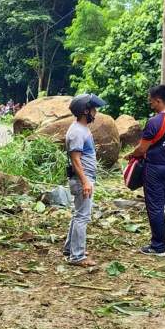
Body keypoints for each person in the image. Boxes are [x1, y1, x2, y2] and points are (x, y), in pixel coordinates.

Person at [126, 84, 165, 256]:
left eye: (152, 102)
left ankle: (159, 246)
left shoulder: (155, 122)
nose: (151, 104)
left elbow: (142, 149)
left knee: (155, 206)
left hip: (155, 169)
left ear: (158, 100)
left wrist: (132, 155)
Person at [63, 93, 106, 266]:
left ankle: (70, 248)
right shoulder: (77, 132)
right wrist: (86, 181)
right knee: (82, 217)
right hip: (82, 179)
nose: (95, 112)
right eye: (93, 109)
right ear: (85, 111)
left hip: (85, 178)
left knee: (78, 214)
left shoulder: (81, 129)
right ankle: (77, 256)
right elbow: (75, 160)